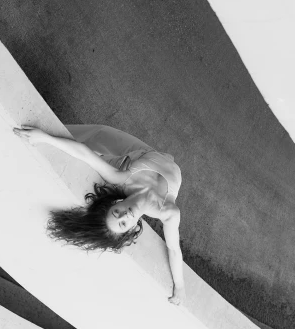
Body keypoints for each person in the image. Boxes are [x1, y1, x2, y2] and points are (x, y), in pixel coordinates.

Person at [13, 124, 186, 305]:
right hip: (149, 159)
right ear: (132, 227)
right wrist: (179, 287)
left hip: (135, 156)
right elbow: (174, 249)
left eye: (116, 212)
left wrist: (44, 137)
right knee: (103, 156)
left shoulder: (120, 178)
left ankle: (56, 125)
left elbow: (86, 155)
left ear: (116, 202)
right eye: (123, 224)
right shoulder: (168, 212)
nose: (124, 215)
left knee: (98, 134)